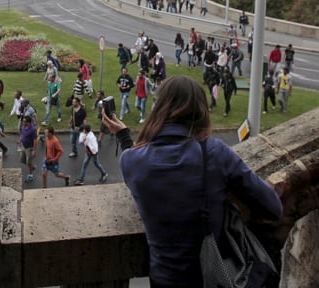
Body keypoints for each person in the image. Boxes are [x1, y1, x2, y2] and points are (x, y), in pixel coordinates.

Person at [101, 76, 282, 287]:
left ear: (158, 109)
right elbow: (273, 206)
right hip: (214, 277)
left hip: (164, 279)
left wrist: (124, 136)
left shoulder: (131, 162)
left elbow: (136, 158)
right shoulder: (215, 153)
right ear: (201, 112)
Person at [18, 115, 38, 183]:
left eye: (24, 122)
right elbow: (22, 135)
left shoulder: (33, 129)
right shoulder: (23, 127)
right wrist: (20, 141)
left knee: (28, 162)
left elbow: (35, 140)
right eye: (23, 121)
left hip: (30, 148)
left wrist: (34, 150)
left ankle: (31, 175)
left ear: (28, 122)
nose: (23, 123)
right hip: (23, 146)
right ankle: (32, 166)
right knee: (22, 160)